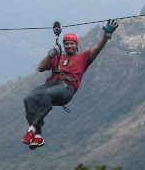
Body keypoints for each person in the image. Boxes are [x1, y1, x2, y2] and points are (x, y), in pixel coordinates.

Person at [22, 19, 119, 150]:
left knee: (47, 94)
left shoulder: (83, 57)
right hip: (52, 84)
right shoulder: (58, 58)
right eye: (66, 44)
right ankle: (37, 136)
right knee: (29, 99)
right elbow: (41, 68)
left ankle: (32, 129)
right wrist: (51, 55)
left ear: (76, 45)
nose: (69, 46)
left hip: (67, 88)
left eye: (72, 44)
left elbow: (98, 48)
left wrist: (106, 36)